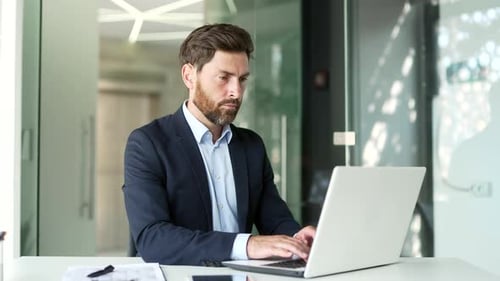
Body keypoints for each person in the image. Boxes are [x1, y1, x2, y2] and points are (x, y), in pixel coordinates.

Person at [123, 23, 316, 266]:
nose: (236, 92)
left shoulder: (251, 146)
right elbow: (153, 239)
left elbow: (275, 219)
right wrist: (246, 244)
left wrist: (297, 238)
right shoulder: (148, 144)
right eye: (224, 78)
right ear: (189, 75)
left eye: (242, 79)